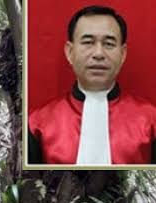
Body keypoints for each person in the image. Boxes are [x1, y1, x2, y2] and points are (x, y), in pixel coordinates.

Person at [28, 5, 156, 165]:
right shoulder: (37, 123)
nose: (98, 54)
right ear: (69, 52)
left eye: (109, 44)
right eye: (88, 42)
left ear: (123, 54)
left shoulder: (151, 121)